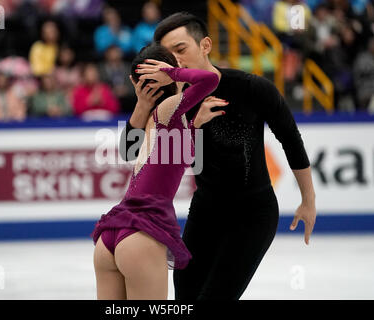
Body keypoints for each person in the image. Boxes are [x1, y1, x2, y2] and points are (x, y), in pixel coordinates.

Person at [120, 12, 317, 300]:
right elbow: (130, 152)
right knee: (185, 295)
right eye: (168, 55)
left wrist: (308, 200)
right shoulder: (170, 101)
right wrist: (142, 106)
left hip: (253, 214)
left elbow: (291, 140)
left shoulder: (251, 88)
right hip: (206, 210)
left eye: (181, 50)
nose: (176, 62)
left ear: (206, 45)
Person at [91, 42, 221, 300]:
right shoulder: (168, 109)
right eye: (175, 59)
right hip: (142, 234)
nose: (181, 63)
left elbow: (167, 157)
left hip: (112, 237)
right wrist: (172, 73)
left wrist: (196, 124)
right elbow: (210, 79)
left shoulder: (159, 117)